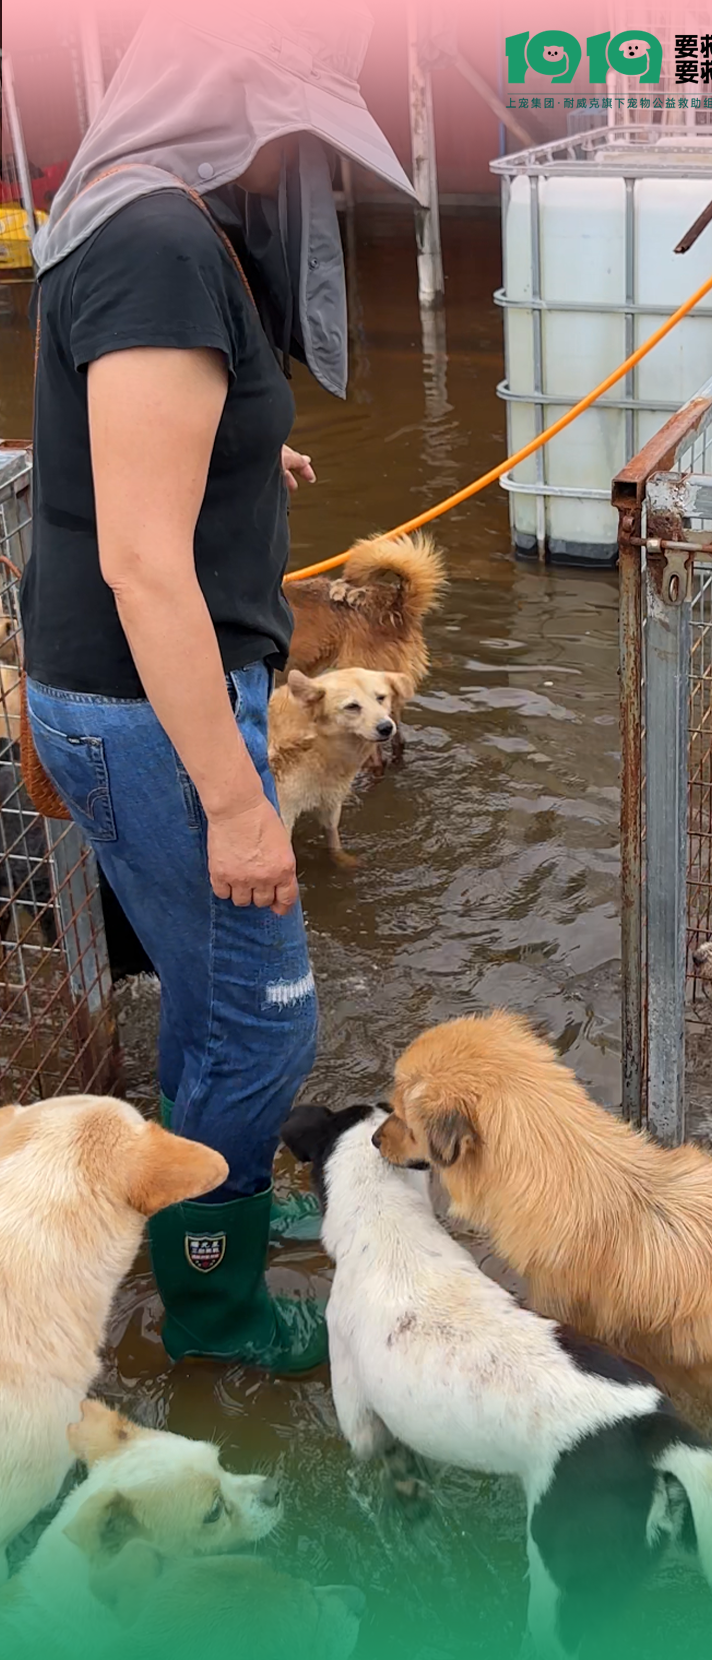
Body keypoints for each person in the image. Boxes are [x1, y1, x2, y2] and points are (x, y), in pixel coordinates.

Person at [21, 3, 416, 1373]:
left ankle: (193, 1207)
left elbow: (121, 448)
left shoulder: (134, 212)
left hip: (132, 698)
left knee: (206, 993)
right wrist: (242, 806)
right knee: (263, 1020)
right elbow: (141, 562)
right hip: (148, 711)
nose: (299, 163)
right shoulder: (161, 245)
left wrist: (250, 454)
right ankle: (217, 1310)